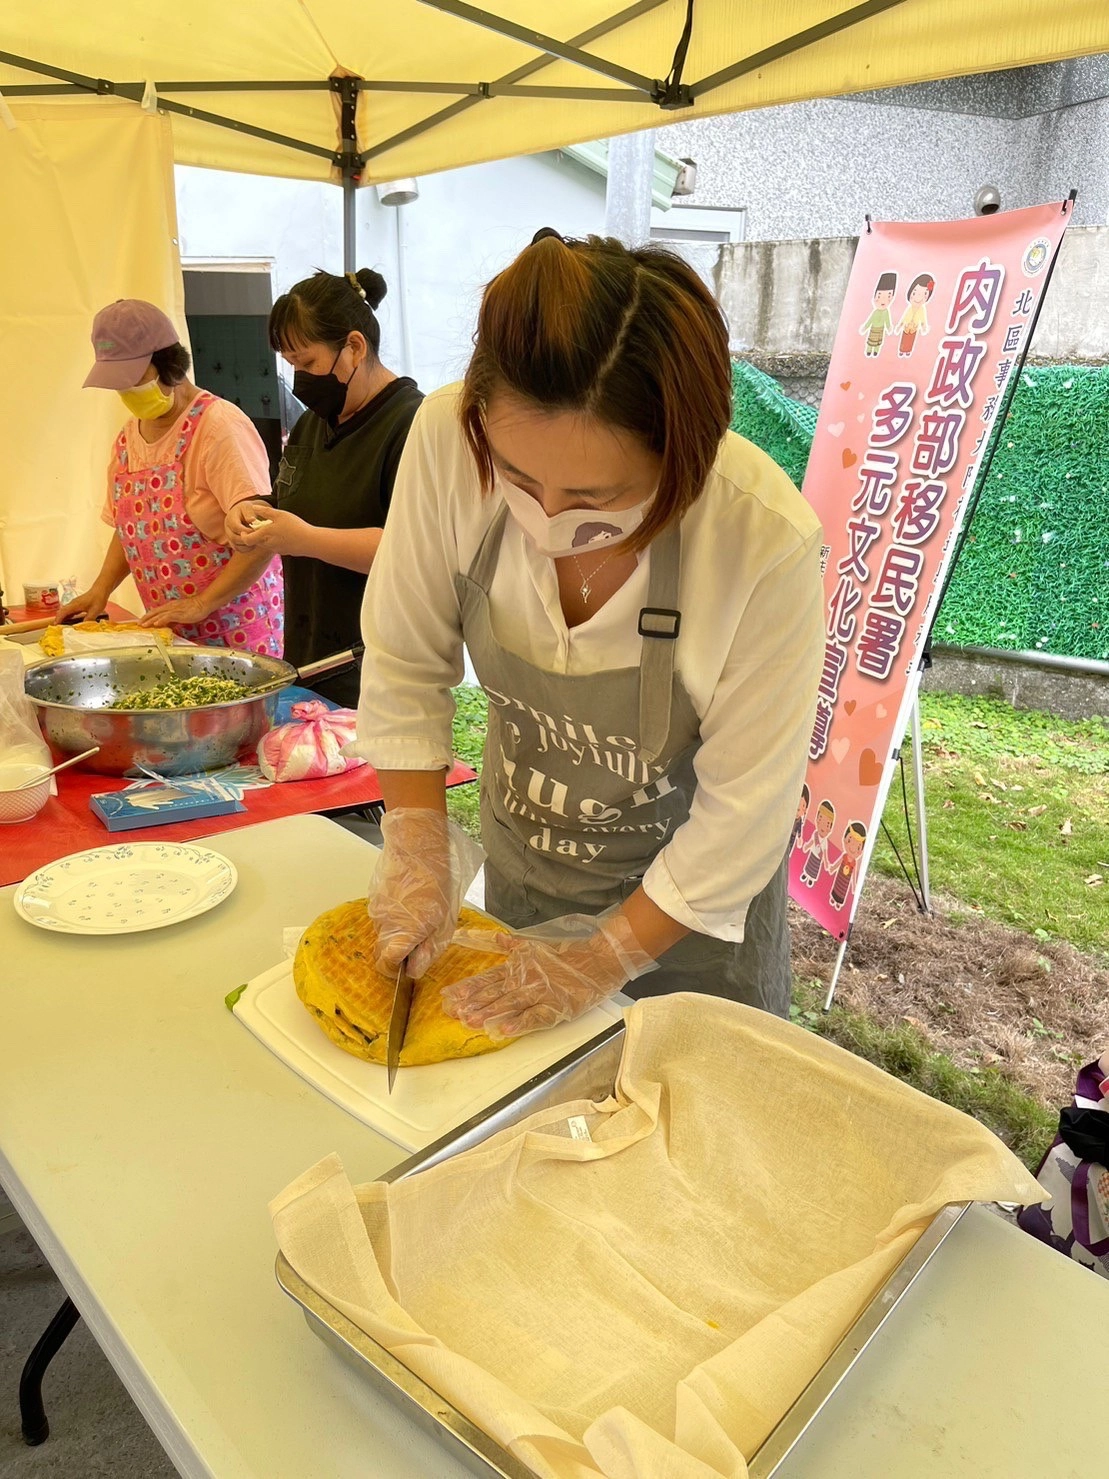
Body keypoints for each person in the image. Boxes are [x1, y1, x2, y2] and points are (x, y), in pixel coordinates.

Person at [352, 231, 825, 1041]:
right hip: (527, 874)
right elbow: (403, 658)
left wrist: (597, 959)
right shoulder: (443, 439)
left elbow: (743, 814)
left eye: (596, 498)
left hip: (689, 933)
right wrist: (418, 843)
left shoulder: (760, 540)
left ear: (685, 460)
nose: (545, 524)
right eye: (520, 478)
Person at [225, 269, 423, 707]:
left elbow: (414, 551)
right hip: (310, 660)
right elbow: (301, 500)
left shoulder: (412, 425)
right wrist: (254, 509)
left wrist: (304, 539)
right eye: (292, 364)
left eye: (308, 363)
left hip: (380, 672)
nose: (301, 377)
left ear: (354, 347)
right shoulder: (313, 424)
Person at [61, 299, 283, 655]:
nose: (127, 393)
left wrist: (202, 603)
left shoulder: (219, 428)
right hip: (173, 636)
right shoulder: (127, 439)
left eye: (134, 380)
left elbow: (262, 539)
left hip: (234, 631)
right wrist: (100, 590)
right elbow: (130, 529)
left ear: (170, 364)